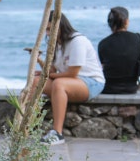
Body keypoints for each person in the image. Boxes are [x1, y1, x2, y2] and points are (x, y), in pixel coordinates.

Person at [35, 12, 105, 145]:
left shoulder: (77, 41)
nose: (48, 34)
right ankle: (27, 126)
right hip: (69, 82)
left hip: (91, 82)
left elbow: (72, 73)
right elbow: (52, 71)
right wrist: (38, 60)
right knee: (36, 81)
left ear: (60, 26)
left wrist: (50, 76)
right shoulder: (56, 43)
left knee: (59, 84)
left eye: (50, 29)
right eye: (46, 30)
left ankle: (57, 133)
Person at [98, 6, 140, 94]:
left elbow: (103, 67)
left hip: (108, 88)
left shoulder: (103, 43)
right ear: (126, 21)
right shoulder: (137, 39)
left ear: (109, 23)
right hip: (131, 88)